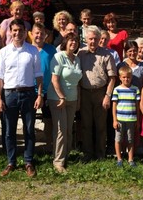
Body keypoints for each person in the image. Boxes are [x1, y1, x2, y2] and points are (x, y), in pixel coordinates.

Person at [0, 19, 43, 177]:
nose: (17, 33)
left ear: (24, 32)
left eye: (20, 30)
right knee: (9, 131)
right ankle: (11, 162)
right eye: (14, 30)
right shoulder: (4, 52)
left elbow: (38, 75)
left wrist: (39, 95)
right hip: (9, 94)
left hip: (29, 94)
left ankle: (28, 162)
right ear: (10, 31)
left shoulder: (32, 51)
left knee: (29, 129)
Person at [77, 25, 117, 161]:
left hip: (101, 93)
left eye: (95, 38)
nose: (93, 41)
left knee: (101, 126)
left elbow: (112, 77)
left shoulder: (106, 55)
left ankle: (100, 154)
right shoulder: (81, 54)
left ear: (100, 39)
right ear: (86, 39)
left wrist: (107, 96)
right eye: (90, 39)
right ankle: (87, 154)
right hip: (85, 93)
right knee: (86, 125)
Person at [48, 33, 82, 173]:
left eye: (75, 41)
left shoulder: (77, 59)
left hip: (72, 99)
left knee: (68, 130)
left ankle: (65, 156)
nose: (73, 43)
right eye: (71, 40)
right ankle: (58, 162)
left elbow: (77, 82)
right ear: (65, 42)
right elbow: (54, 79)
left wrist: (78, 99)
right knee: (61, 130)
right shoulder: (59, 56)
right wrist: (61, 97)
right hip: (58, 99)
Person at [31, 23, 57, 153]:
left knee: (48, 119)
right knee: (29, 120)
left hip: (48, 90)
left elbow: (55, 70)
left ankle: (49, 145)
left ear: (45, 35)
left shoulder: (51, 49)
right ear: (31, 34)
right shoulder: (28, 49)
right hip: (31, 90)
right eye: (36, 33)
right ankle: (30, 147)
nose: (39, 36)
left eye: (41, 33)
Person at [112, 65, 140, 167]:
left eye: (128, 77)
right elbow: (114, 106)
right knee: (118, 139)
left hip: (132, 119)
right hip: (120, 119)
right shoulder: (117, 90)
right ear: (120, 77)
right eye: (123, 77)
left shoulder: (135, 89)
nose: (126, 79)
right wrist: (114, 120)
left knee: (130, 140)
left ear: (131, 77)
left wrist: (138, 120)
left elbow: (137, 106)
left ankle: (130, 159)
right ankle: (119, 159)